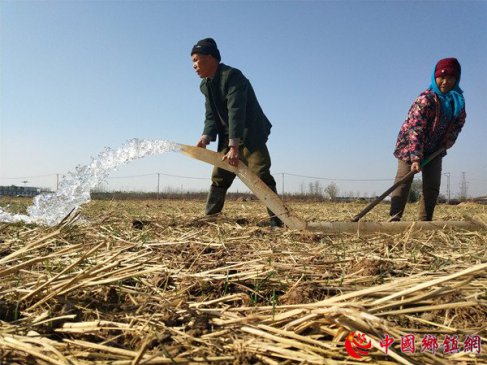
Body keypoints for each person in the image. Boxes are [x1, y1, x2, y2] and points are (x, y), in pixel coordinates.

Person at [190, 37, 283, 227]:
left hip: (250, 134)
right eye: (192, 62)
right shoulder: (205, 85)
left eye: (196, 60)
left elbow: (236, 111)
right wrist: (205, 136)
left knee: (260, 172)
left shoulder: (232, 76)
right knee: (219, 175)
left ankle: (278, 221)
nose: (194, 66)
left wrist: (234, 147)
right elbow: (211, 114)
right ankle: (210, 218)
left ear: (210, 58)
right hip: (228, 137)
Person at [390, 58, 466, 221]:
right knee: (403, 182)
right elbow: (415, 129)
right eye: (442, 77)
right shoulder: (426, 99)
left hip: (435, 149)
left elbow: (459, 123)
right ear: (435, 77)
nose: (445, 82)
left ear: (456, 79)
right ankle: (394, 220)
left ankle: (425, 222)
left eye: (451, 78)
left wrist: (449, 140)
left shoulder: (457, 101)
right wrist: (416, 157)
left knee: (432, 185)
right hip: (410, 147)